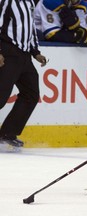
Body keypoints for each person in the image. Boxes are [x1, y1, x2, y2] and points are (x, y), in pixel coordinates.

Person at [0, 0, 47, 151]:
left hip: (24, 55)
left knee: (31, 94)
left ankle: (7, 134)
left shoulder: (30, 2)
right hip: (8, 52)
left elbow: (30, 27)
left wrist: (35, 52)